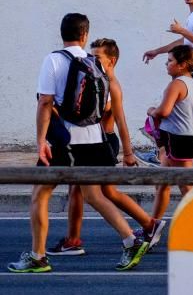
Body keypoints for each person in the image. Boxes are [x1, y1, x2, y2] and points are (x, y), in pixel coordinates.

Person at [8, 14, 150, 273]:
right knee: (93, 195)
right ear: (84, 35)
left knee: (40, 194)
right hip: (96, 139)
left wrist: (41, 141)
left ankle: (38, 257)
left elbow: (45, 102)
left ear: (61, 33)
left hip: (66, 142)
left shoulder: (53, 60)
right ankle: (131, 239)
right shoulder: (95, 63)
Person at [51, 39, 166, 256]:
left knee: (95, 193)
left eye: (98, 57)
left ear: (111, 60)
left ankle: (142, 228)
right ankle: (147, 224)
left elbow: (121, 121)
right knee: (86, 190)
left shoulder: (110, 85)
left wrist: (129, 152)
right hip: (96, 142)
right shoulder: (96, 78)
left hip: (103, 142)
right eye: (91, 56)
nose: (92, 60)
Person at [148, 44, 193, 221]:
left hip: (177, 139)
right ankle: (153, 225)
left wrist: (151, 111)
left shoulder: (176, 84)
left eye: (170, 61)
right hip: (187, 138)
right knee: (163, 184)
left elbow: (163, 111)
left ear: (182, 65)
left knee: (185, 186)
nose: (166, 64)